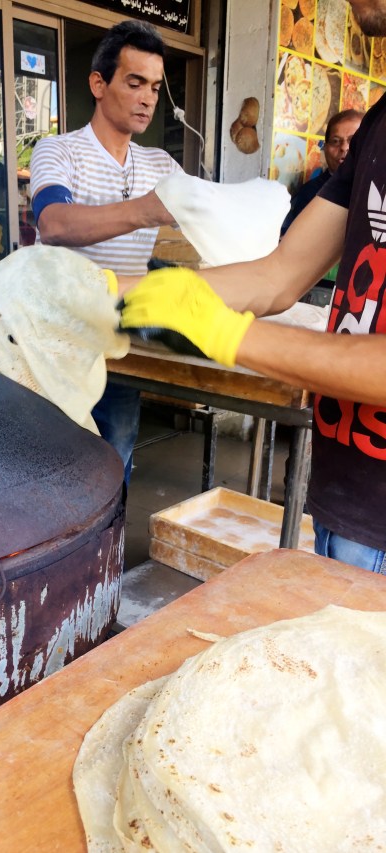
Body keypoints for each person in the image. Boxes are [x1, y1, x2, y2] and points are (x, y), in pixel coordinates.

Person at [119, 0, 386, 573]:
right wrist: (115, 288)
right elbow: (281, 274)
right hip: (351, 498)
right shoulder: (380, 127)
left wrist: (226, 335)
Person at [29, 19, 178, 483]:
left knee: (115, 465)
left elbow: (205, 220)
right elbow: (53, 223)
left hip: (117, 343)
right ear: (99, 83)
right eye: (134, 83)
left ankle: (108, 558)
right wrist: (145, 210)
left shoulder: (162, 165)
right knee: (52, 469)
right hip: (56, 345)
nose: (148, 97)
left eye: (154, 86)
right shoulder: (58, 151)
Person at [280, 109, 363, 237]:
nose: (344, 148)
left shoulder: (376, 189)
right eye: (335, 141)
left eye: (353, 140)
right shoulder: (311, 194)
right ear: (325, 147)